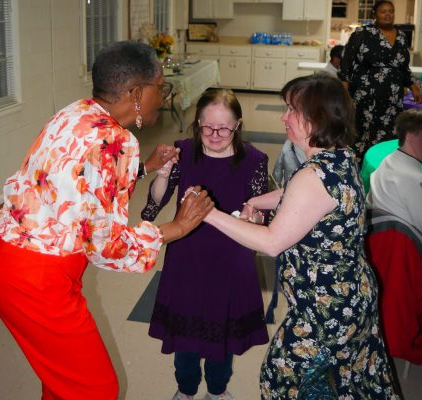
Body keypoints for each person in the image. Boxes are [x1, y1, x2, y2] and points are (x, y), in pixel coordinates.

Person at [0, 41, 213, 400]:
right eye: (159, 87)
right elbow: (109, 248)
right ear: (135, 93)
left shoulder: (79, 111)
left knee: (62, 381)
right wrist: (176, 227)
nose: (162, 96)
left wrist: (144, 167)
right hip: (34, 277)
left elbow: (76, 184)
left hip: (0, 252)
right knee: (96, 388)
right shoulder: (117, 141)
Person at [204, 74, 401, 399]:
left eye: (291, 110)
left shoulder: (312, 176)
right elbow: (296, 195)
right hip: (350, 298)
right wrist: (255, 201)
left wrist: (209, 214)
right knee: (348, 383)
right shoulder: (339, 157)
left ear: (317, 119)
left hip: (326, 311)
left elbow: (271, 241)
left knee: (280, 380)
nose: (283, 117)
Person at [141, 89, 270, 400]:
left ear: (238, 125)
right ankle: (185, 390)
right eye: (206, 127)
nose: (214, 135)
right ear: (196, 123)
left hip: (230, 263)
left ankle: (217, 390)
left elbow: (261, 221)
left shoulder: (254, 160)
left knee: (221, 338)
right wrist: (163, 174)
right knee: (184, 340)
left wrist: (254, 218)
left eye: (224, 128)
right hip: (188, 259)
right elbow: (154, 206)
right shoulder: (183, 152)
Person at [339, 0, 421, 164]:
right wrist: (344, 91)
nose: (388, 14)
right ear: (375, 13)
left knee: (389, 135)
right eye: (383, 11)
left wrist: (413, 86)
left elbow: (403, 67)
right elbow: (346, 62)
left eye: (391, 11)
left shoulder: (402, 36)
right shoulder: (363, 33)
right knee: (363, 135)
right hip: (366, 97)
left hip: (392, 101)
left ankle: (382, 170)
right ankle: (359, 173)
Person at [367, 108, 422, 232]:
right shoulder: (414, 179)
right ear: (410, 136)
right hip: (405, 243)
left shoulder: (388, 160)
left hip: (380, 234)